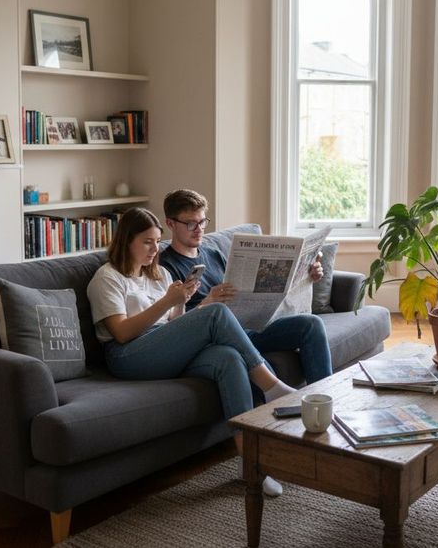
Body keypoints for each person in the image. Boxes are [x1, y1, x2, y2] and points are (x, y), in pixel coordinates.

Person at [87, 207, 293, 497]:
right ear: (126, 240)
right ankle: (271, 386)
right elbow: (121, 332)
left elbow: (175, 324)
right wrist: (166, 303)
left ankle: (250, 465)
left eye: (157, 241)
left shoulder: (159, 274)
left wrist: (182, 301)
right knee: (217, 313)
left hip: (162, 346)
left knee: (229, 358)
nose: (153, 249)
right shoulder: (107, 278)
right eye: (147, 241)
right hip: (127, 355)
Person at [157, 189, 333, 387]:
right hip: (216, 338)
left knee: (311, 325)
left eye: (203, 222)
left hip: (248, 326)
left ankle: (324, 402)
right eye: (191, 223)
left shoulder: (213, 254)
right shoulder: (164, 266)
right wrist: (207, 303)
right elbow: (173, 326)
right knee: (261, 366)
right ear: (170, 224)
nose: (199, 229)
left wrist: (305, 275)